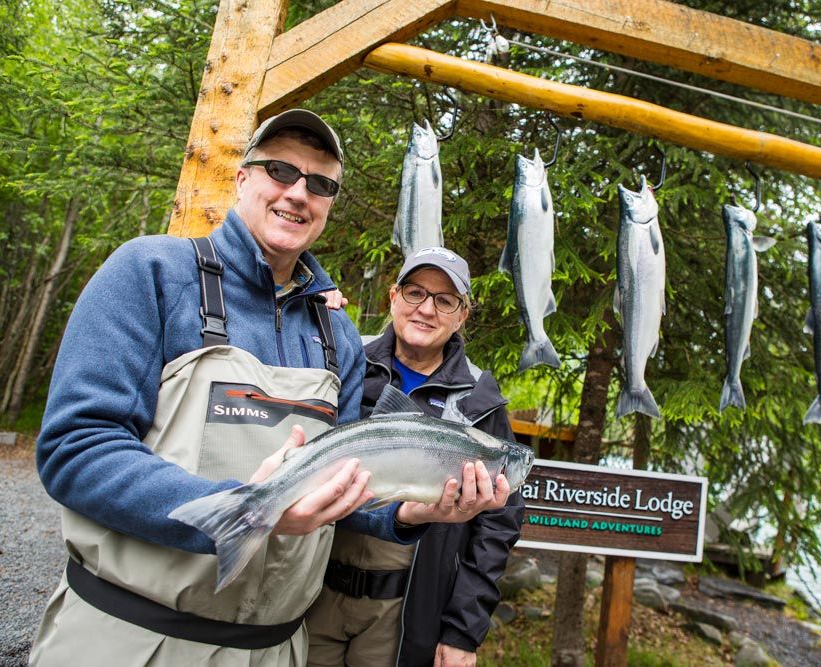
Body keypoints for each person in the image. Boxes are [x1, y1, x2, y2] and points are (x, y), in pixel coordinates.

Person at [29, 111, 509, 667]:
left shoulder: (339, 337)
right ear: (241, 179)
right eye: (280, 170)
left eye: (321, 183)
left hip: (275, 651)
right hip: (131, 639)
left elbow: (342, 490)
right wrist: (245, 509)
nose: (299, 193)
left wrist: (406, 518)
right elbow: (75, 449)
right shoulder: (151, 273)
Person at [305, 247, 526, 667]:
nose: (427, 309)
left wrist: (464, 630)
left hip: (404, 611)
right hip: (315, 592)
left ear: (462, 315)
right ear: (392, 296)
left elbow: (498, 526)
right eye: (415, 293)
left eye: (445, 301)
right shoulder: (345, 358)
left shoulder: (479, 399)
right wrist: (310, 314)